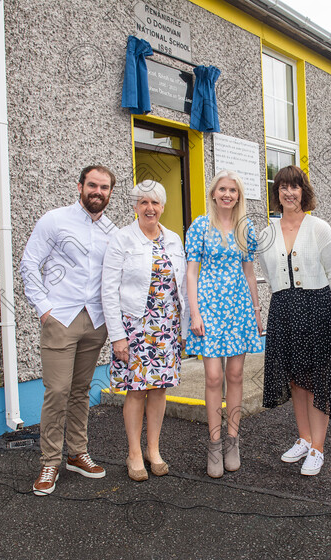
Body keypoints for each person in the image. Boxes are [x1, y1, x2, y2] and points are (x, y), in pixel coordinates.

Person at [20, 165, 116, 496]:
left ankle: (77, 453)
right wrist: (44, 309)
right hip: (60, 318)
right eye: (93, 185)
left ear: (110, 194)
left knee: (80, 390)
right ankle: (50, 461)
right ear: (80, 187)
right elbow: (29, 263)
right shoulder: (55, 220)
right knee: (57, 390)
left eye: (104, 187)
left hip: (95, 321)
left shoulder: (111, 232)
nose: (98, 192)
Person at [257, 166, 331, 476]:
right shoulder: (267, 233)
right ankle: (304, 439)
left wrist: (329, 306)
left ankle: (319, 448)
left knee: (317, 378)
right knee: (296, 379)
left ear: (303, 191)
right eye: (283, 187)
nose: (289, 192)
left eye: (295, 187)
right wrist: (284, 298)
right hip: (283, 307)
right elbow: (268, 274)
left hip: (317, 305)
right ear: (277, 193)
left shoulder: (319, 228)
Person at [101, 180, 188, 482]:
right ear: (136, 206)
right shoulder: (122, 239)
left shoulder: (174, 239)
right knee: (136, 390)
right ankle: (134, 453)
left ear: (163, 207)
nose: (150, 208)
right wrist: (117, 336)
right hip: (135, 326)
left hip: (167, 326)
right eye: (143, 203)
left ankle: (154, 449)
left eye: (155, 203)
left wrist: (183, 328)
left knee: (159, 389)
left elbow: (182, 286)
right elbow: (108, 290)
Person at [185, 170, 263, 478]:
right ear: (214, 193)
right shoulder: (201, 227)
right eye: (222, 189)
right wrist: (194, 313)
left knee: (235, 373)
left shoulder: (246, 229)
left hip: (239, 308)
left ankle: (233, 439)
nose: (227, 194)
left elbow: (249, 273)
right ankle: (214, 443)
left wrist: (257, 310)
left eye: (233, 189)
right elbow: (191, 273)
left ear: (238, 195)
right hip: (209, 308)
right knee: (214, 376)